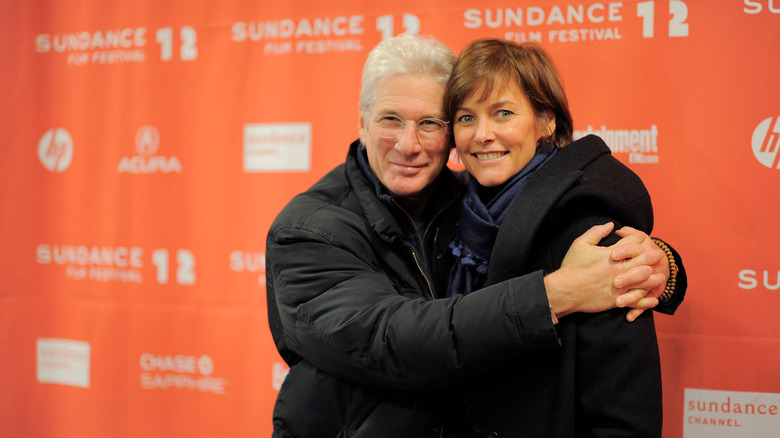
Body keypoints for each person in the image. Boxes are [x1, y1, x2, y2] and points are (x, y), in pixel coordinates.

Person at [265, 34, 684, 437]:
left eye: (430, 123)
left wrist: (659, 264)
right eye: (390, 120)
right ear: (362, 122)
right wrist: (555, 293)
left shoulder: (487, 209)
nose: (408, 144)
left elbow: (624, 406)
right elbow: (391, 340)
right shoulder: (307, 230)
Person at [442, 38, 686, 437]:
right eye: (466, 118)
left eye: (503, 113)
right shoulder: (450, 218)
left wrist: (667, 267)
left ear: (546, 120)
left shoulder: (589, 233)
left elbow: (626, 414)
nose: (482, 134)